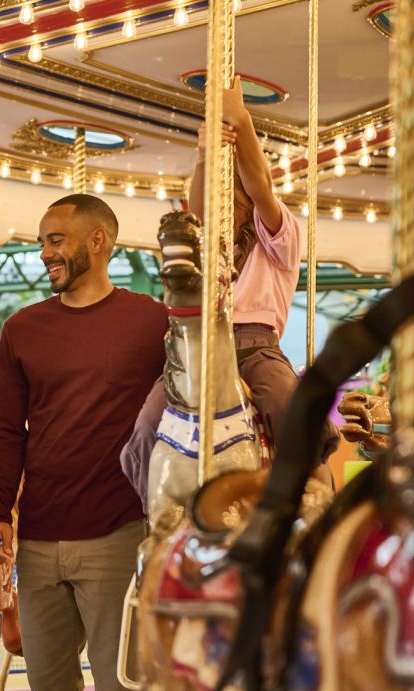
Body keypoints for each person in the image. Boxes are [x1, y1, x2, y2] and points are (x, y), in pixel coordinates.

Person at [0, 194, 168, 691]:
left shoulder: (151, 321)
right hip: (39, 537)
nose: (44, 253)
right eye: (42, 242)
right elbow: (4, 430)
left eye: (56, 240)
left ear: (98, 241)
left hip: (118, 532)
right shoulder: (22, 328)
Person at [120, 78, 341, 506]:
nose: (226, 203)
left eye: (233, 193)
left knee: (286, 407)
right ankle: (154, 509)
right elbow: (199, 212)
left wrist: (241, 122)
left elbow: (261, 186)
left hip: (256, 346)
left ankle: (316, 495)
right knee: (149, 423)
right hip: (198, 349)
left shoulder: (279, 238)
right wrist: (205, 157)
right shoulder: (211, 246)